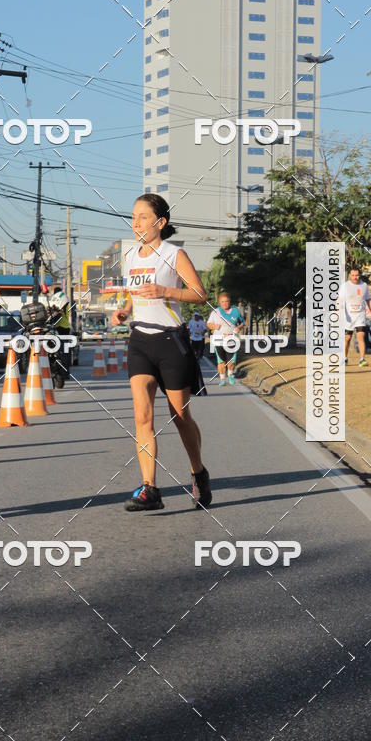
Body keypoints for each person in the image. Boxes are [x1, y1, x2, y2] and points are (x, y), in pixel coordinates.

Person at [111, 193, 211, 512]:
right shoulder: (129, 256)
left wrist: (165, 291)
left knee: (180, 416)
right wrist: (125, 310)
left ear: (160, 222)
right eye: (133, 216)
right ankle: (150, 489)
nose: (135, 222)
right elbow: (134, 294)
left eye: (142, 216)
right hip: (140, 340)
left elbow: (199, 294)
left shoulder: (173, 254)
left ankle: (198, 471)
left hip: (171, 342)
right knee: (142, 415)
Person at [338, 266, 371, 367]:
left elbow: (368, 300)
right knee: (347, 338)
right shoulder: (345, 286)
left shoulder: (364, 285)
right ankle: (344, 358)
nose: (355, 277)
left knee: (361, 336)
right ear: (350, 275)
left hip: (360, 315)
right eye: (353, 275)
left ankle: (362, 359)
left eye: (357, 275)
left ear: (360, 275)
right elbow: (339, 300)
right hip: (348, 316)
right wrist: (338, 313)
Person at [206, 292, 244, 386]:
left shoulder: (236, 311)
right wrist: (215, 326)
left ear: (229, 301)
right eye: (222, 302)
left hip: (231, 340)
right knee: (221, 361)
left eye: (227, 301)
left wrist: (239, 327)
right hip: (218, 340)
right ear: (219, 302)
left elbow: (242, 322)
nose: (225, 303)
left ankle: (230, 374)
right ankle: (222, 378)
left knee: (231, 362)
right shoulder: (215, 312)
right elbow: (208, 324)